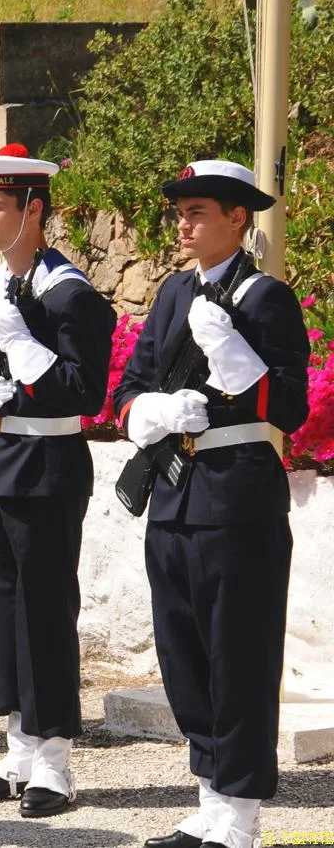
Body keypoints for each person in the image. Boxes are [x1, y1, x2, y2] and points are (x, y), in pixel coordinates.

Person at [115, 160, 309, 848]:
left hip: (237, 498)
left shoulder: (266, 298)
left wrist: (232, 353)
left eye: (197, 212)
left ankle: (241, 815)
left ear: (237, 218)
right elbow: (129, 386)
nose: (184, 224)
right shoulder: (173, 293)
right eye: (180, 213)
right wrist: (150, 411)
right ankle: (210, 796)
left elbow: (290, 405)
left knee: (240, 655)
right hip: (173, 494)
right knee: (184, 656)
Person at [0, 144, 116, 817]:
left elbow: (84, 391)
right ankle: (18, 751)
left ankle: (54, 764)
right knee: (2, 613)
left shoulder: (69, 295)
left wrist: (22, 350)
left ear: (32, 209)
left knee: (43, 615)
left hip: (46, 469)